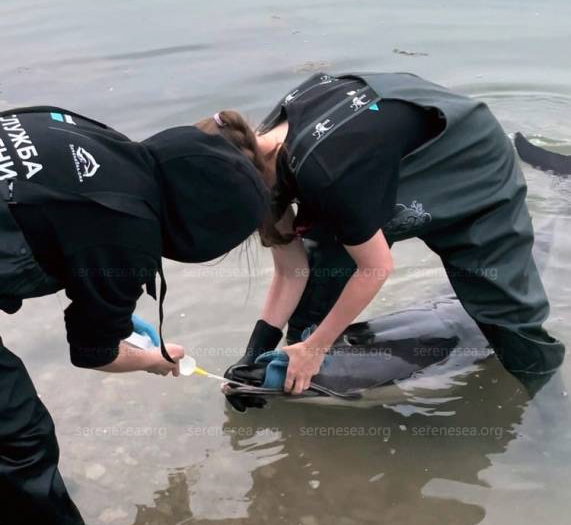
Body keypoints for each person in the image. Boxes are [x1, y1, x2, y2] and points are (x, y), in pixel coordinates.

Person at [0, 105, 269, 525]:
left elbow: (60, 222)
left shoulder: (99, 134)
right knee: (17, 437)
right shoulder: (127, 232)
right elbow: (93, 353)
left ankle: (20, 510)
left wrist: (115, 311)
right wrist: (156, 361)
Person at [203, 71, 565, 398]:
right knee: (322, 273)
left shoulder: (326, 173)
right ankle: (297, 368)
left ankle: (550, 424)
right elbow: (291, 270)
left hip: (471, 162)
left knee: (507, 318)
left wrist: (317, 349)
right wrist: (255, 353)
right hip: (382, 163)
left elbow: (375, 268)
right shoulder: (255, 151)